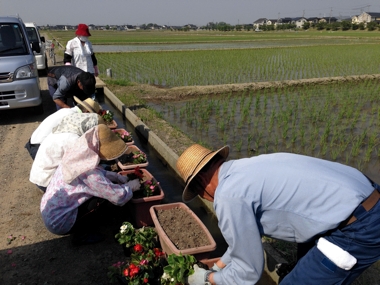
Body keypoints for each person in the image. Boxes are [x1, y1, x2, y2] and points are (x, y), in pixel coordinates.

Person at [176, 144, 380, 285]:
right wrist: (219, 266)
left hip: (361, 224)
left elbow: (249, 273)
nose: (205, 198)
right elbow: (244, 239)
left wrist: (208, 279)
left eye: (198, 193)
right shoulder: (244, 169)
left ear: (201, 183)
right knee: (303, 265)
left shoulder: (228, 195)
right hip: (365, 195)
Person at [40, 124, 141, 245]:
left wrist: (116, 176)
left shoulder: (76, 156)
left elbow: (98, 171)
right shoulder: (90, 175)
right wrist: (130, 187)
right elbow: (117, 197)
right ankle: (81, 235)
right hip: (59, 222)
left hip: (51, 210)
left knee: (101, 191)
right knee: (100, 201)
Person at [29, 113, 104, 192]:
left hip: (38, 175)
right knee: (86, 184)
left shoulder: (63, 130)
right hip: (46, 180)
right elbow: (83, 166)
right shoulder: (73, 139)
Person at [25, 97, 102, 160]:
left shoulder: (67, 110)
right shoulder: (73, 117)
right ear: (87, 112)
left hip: (33, 141)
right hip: (39, 147)